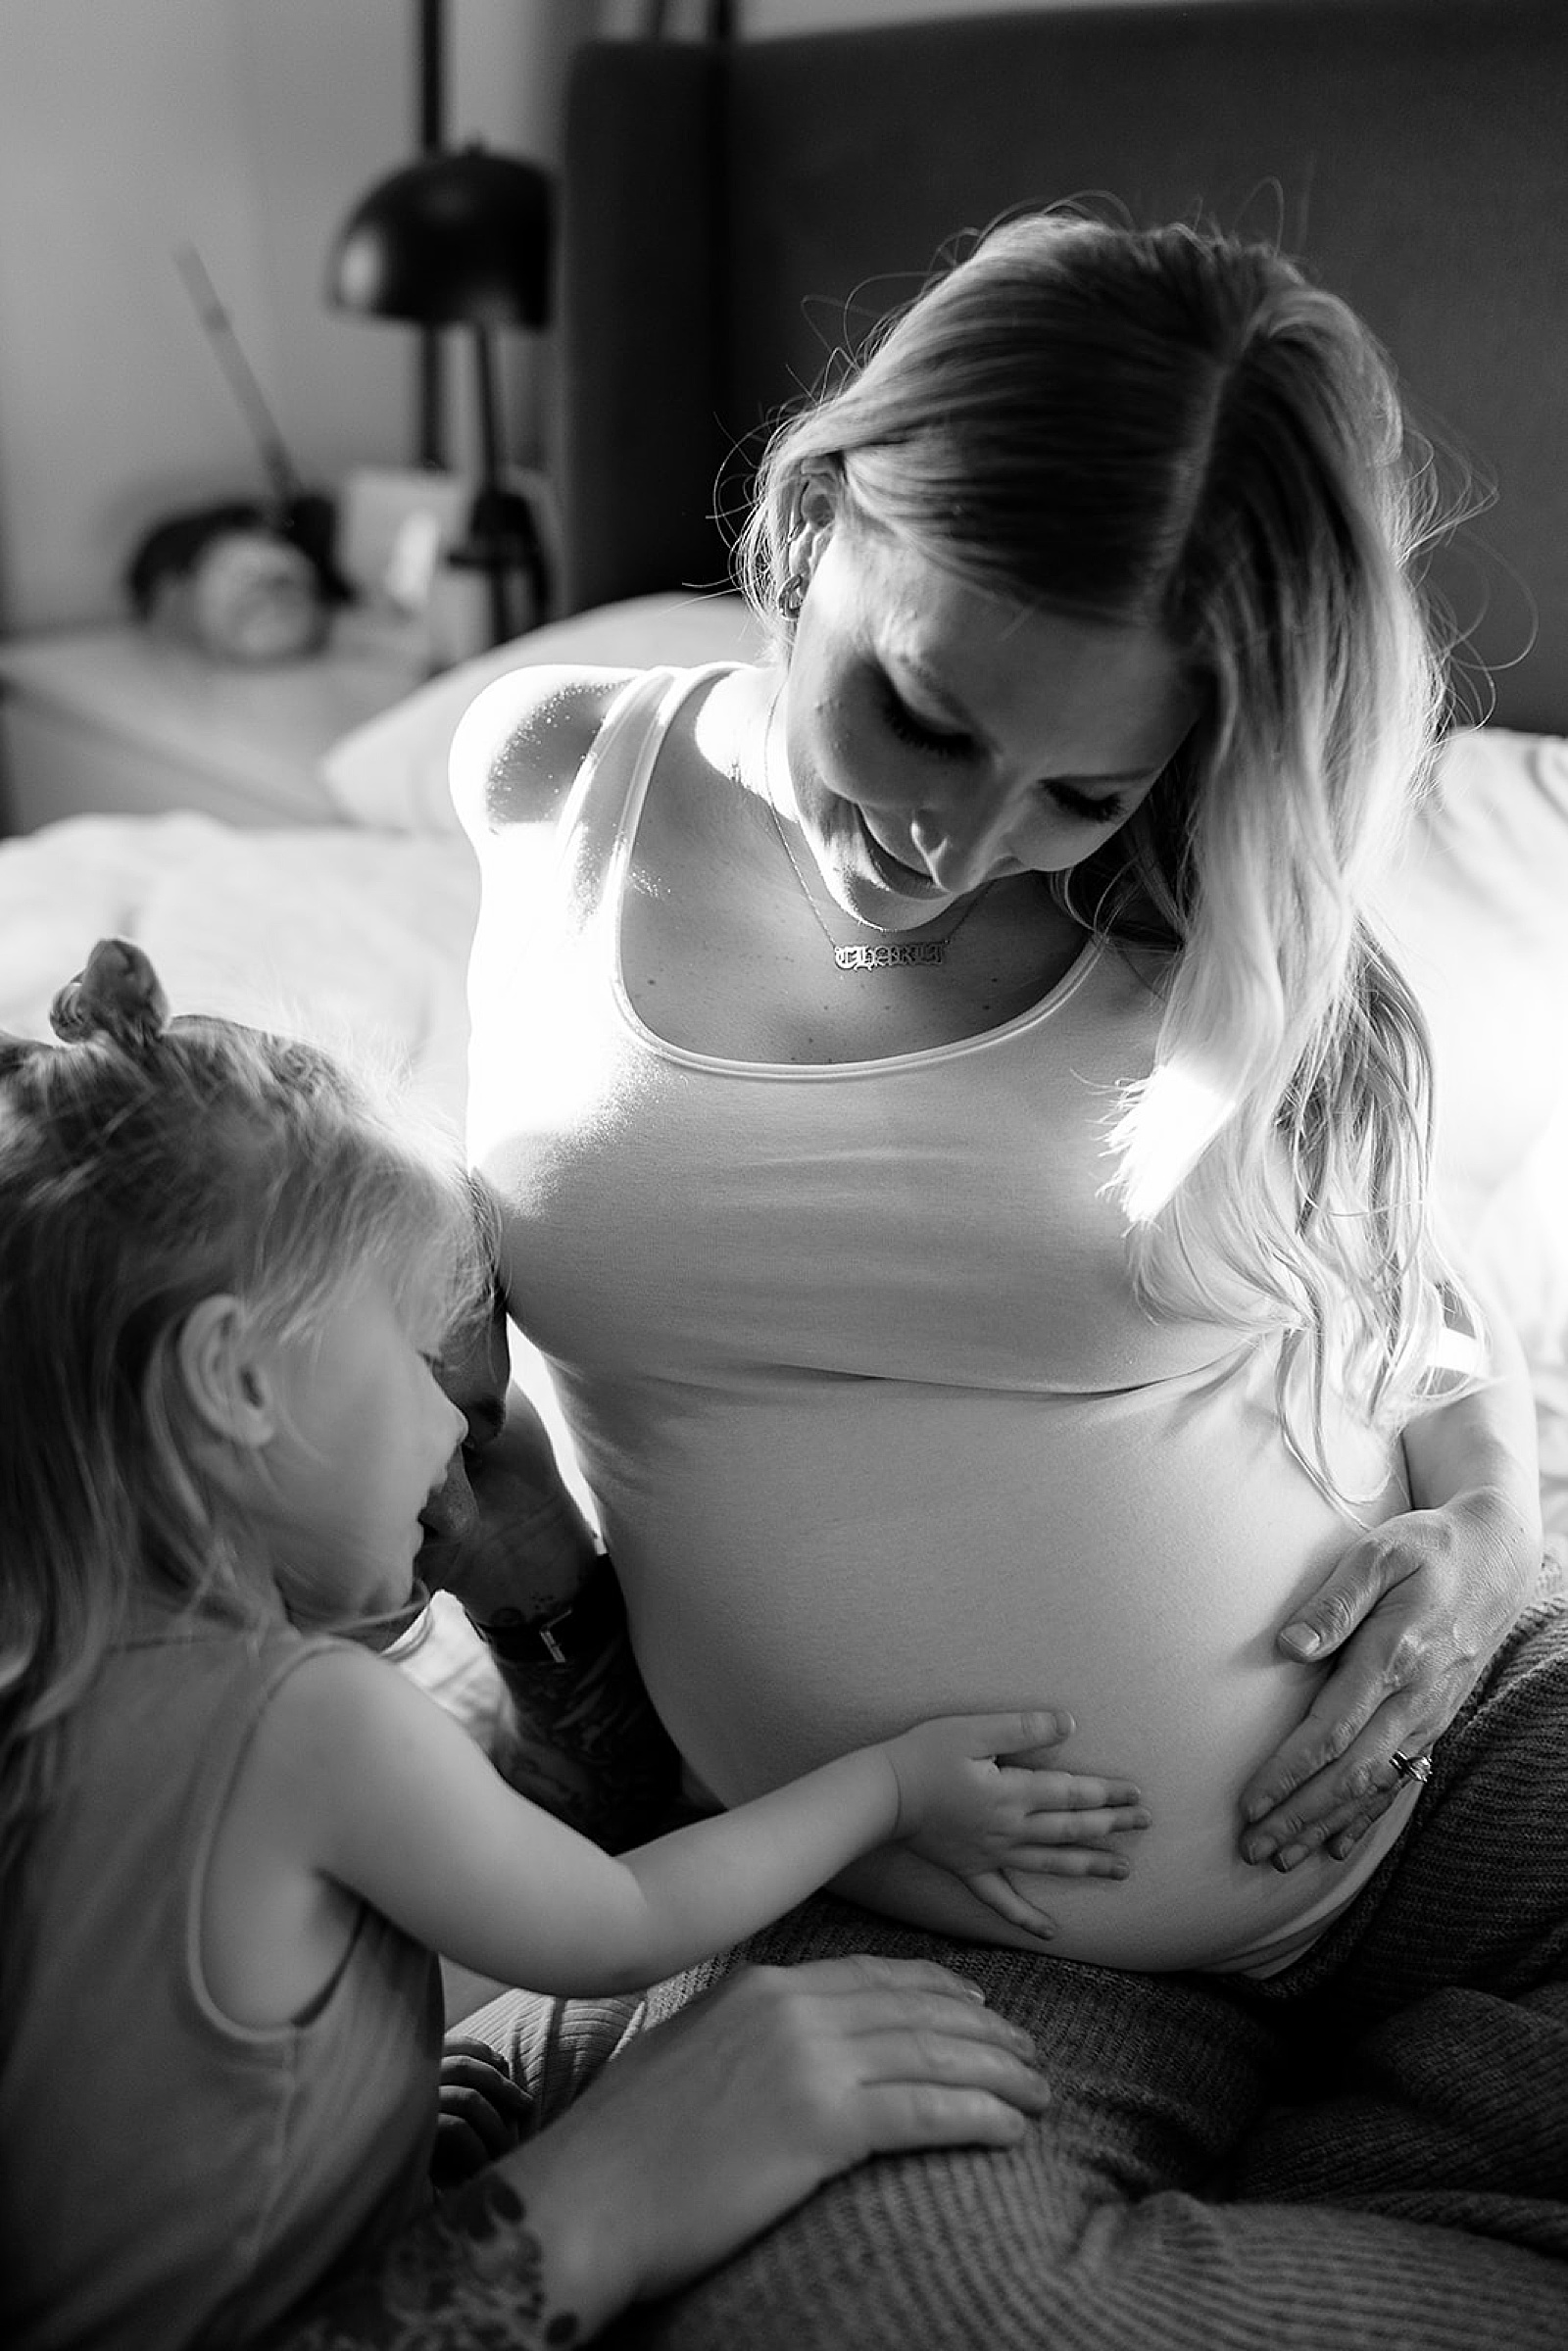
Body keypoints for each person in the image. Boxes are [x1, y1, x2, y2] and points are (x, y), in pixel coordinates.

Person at [440, 210, 1567, 2343]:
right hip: (945, 1926)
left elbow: (1397, 1282)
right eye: (922, 715)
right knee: (889, 2311)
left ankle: (1375, 2151)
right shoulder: (544, 782)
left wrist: (1493, 1522)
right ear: (828, 511)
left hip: (1458, 1773)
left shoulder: (1209, 910)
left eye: (1080, 787)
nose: (957, 844)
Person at [1, 932, 1165, 2351]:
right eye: (426, 1367)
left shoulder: (56, 1709)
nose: (460, 1453)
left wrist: (364, 2132)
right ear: (235, 1379)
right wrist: (890, 1786)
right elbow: (610, 1931)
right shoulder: (302, 1720)